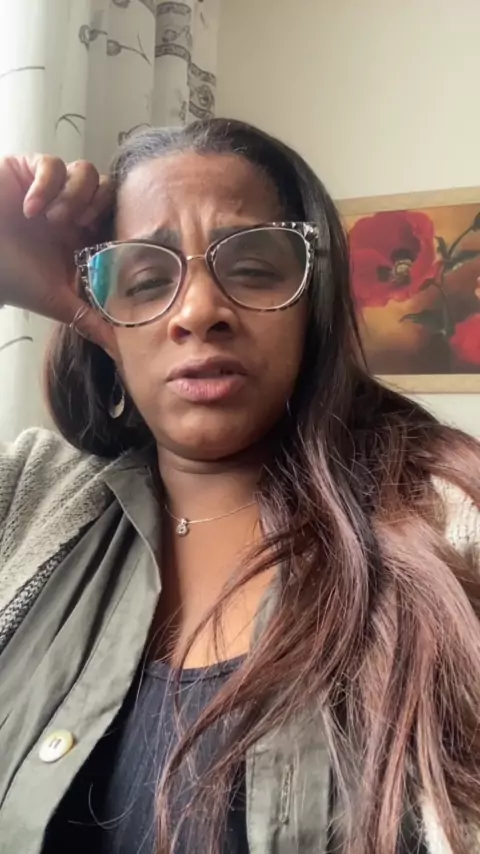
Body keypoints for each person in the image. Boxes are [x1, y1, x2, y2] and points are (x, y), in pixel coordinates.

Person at [0, 119, 479, 854]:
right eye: (148, 282)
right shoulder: (27, 497)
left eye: (253, 268)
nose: (198, 311)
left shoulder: (452, 521)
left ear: (314, 299)